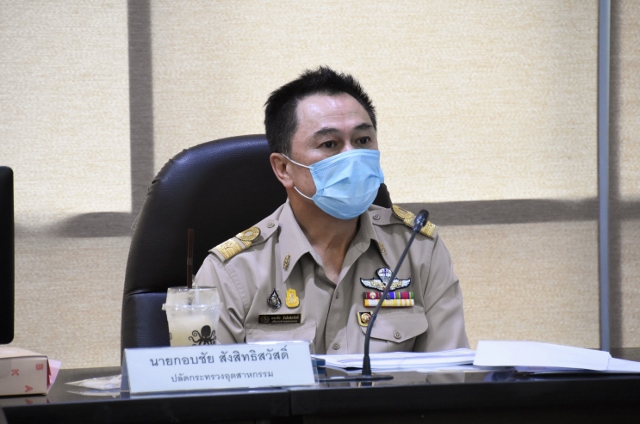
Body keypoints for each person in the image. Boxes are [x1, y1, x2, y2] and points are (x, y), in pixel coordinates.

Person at [194, 66, 468, 354]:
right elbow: (212, 383)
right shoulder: (231, 273)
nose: (352, 156)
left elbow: (448, 374)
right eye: (329, 144)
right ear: (283, 168)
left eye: (363, 141)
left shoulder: (418, 251)